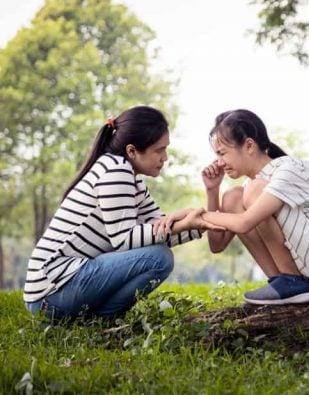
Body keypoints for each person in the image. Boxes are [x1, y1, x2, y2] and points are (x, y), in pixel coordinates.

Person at [23, 105, 213, 321]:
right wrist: (184, 223)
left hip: (57, 290)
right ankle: (99, 319)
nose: (165, 157)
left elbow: (161, 230)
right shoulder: (115, 171)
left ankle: (94, 319)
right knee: (159, 258)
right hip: (50, 295)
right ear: (132, 151)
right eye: (159, 150)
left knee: (159, 252)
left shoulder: (131, 180)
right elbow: (124, 240)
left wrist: (199, 221)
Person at [156, 109, 309, 305]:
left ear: (249, 145)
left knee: (252, 191)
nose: (219, 162)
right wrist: (212, 191)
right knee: (232, 197)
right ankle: (281, 282)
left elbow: (244, 223)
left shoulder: (287, 170)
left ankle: (293, 282)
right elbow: (217, 244)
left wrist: (193, 213)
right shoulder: (252, 186)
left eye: (222, 153)